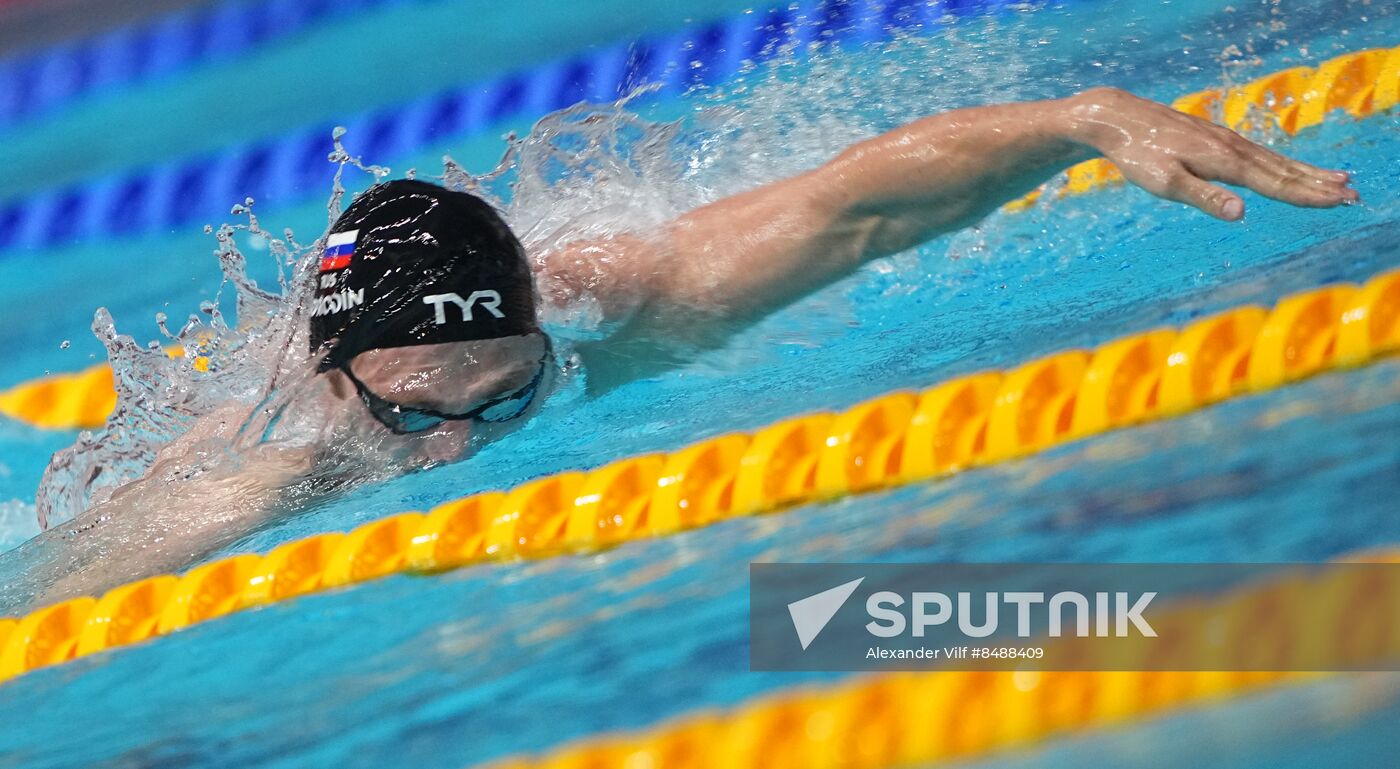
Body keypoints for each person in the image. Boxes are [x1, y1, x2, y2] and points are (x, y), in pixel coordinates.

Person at [7, 87, 1358, 609]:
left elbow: (856, 203)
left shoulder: (615, 308)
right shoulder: (265, 473)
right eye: (421, 419)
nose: (469, 443)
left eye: (510, 394)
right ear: (338, 377)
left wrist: (1076, 120)